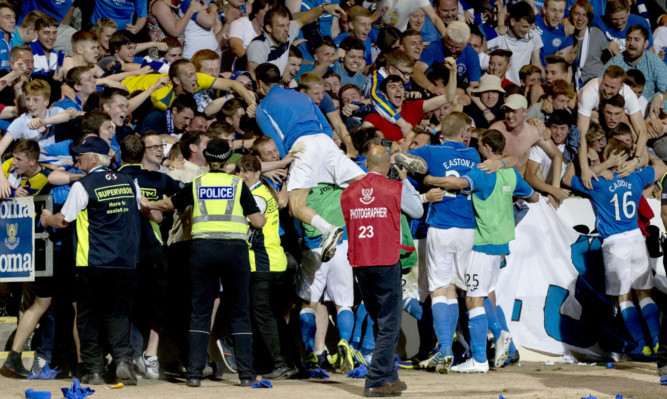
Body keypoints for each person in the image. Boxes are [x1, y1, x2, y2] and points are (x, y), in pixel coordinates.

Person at [143, 138, 266, 387]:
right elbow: (258, 221)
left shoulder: (197, 183)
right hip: (235, 250)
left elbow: (170, 204)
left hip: (203, 249)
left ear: (208, 159)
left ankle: (195, 373)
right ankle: (245, 374)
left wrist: (146, 204)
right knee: (239, 311)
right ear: (228, 158)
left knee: (199, 311)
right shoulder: (237, 184)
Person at [425, 129, 538, 373]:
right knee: (483, 292)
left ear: (486, 147)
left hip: (482, 242)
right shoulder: (510, 174)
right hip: (501, 243)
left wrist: (430, 181)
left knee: (473, 297)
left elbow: (457, 183)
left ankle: (479, 357)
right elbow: (534, 197)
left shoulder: (485, 172)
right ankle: (499, 335)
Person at [39, 136, 143, 385]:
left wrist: (46, 219)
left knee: (89, 317)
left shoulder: (83, 185)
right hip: (125, 262)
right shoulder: (130, 183)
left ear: (94, 158)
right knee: (120, 315)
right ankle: (122, 362)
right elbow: (141, 207)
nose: (77, 158)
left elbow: (64, 220)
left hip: (93, 262)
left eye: (81, 154)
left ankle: (94, 369)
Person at [254, 62, 366, 262]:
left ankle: (328, 229)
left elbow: (276, 141)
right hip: (324, 141)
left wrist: (287, 164)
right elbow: (325, 125)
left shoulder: (263, 108)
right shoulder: (301, 96)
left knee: (296, 206)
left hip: (301, 146)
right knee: (363, 181)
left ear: (259, 83)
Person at [563, 138, 665, 356]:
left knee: (623, 297)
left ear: (608, 156)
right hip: (636, 239)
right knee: (644, 294)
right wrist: (639, 161)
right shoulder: (637, 176)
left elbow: (566, 179)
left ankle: (641, 345)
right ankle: (656, 340)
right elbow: (662, 167)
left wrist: (595, 164)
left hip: (614, 243)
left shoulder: (598, 181)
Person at [340, 145, 423, 397]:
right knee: (389, 324)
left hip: (361, 262)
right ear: (388, 165)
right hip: (385, 260)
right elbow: (417, 210)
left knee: (379, 321)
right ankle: (376, 379)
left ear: (366, 164)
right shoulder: (394, 188)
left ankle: (389, 376)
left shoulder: (348, 193)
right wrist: (406, 181)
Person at [406, 112, 479, 373]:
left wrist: (424, 179)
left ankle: (445, 349)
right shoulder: (473, 155)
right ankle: (450, 348)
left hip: (441, 226)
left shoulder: (431, 152)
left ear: (441, 133)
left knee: (438, 290)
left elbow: (402, 159)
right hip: (468, 228)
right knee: (454, 290)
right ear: (464, 133)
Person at [235, 154, 294, 380]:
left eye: (246, 171)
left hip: (262, 263)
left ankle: (281, 364)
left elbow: (253, 225)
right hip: (273, 260)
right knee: (274, 317)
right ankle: (287, 362)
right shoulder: (265, 191)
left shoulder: (255, 196)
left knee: (264, 317)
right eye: (239, 171)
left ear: (257, 173)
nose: (241, 175)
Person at [487, 1, 543, 86]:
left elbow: (536, 63)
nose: (527, 30)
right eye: (524, 26)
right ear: (512, 21)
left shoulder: (534, 36)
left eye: (529, 26)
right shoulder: (498, 36)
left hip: (521, 89)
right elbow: (482, 57)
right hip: (498, 87)